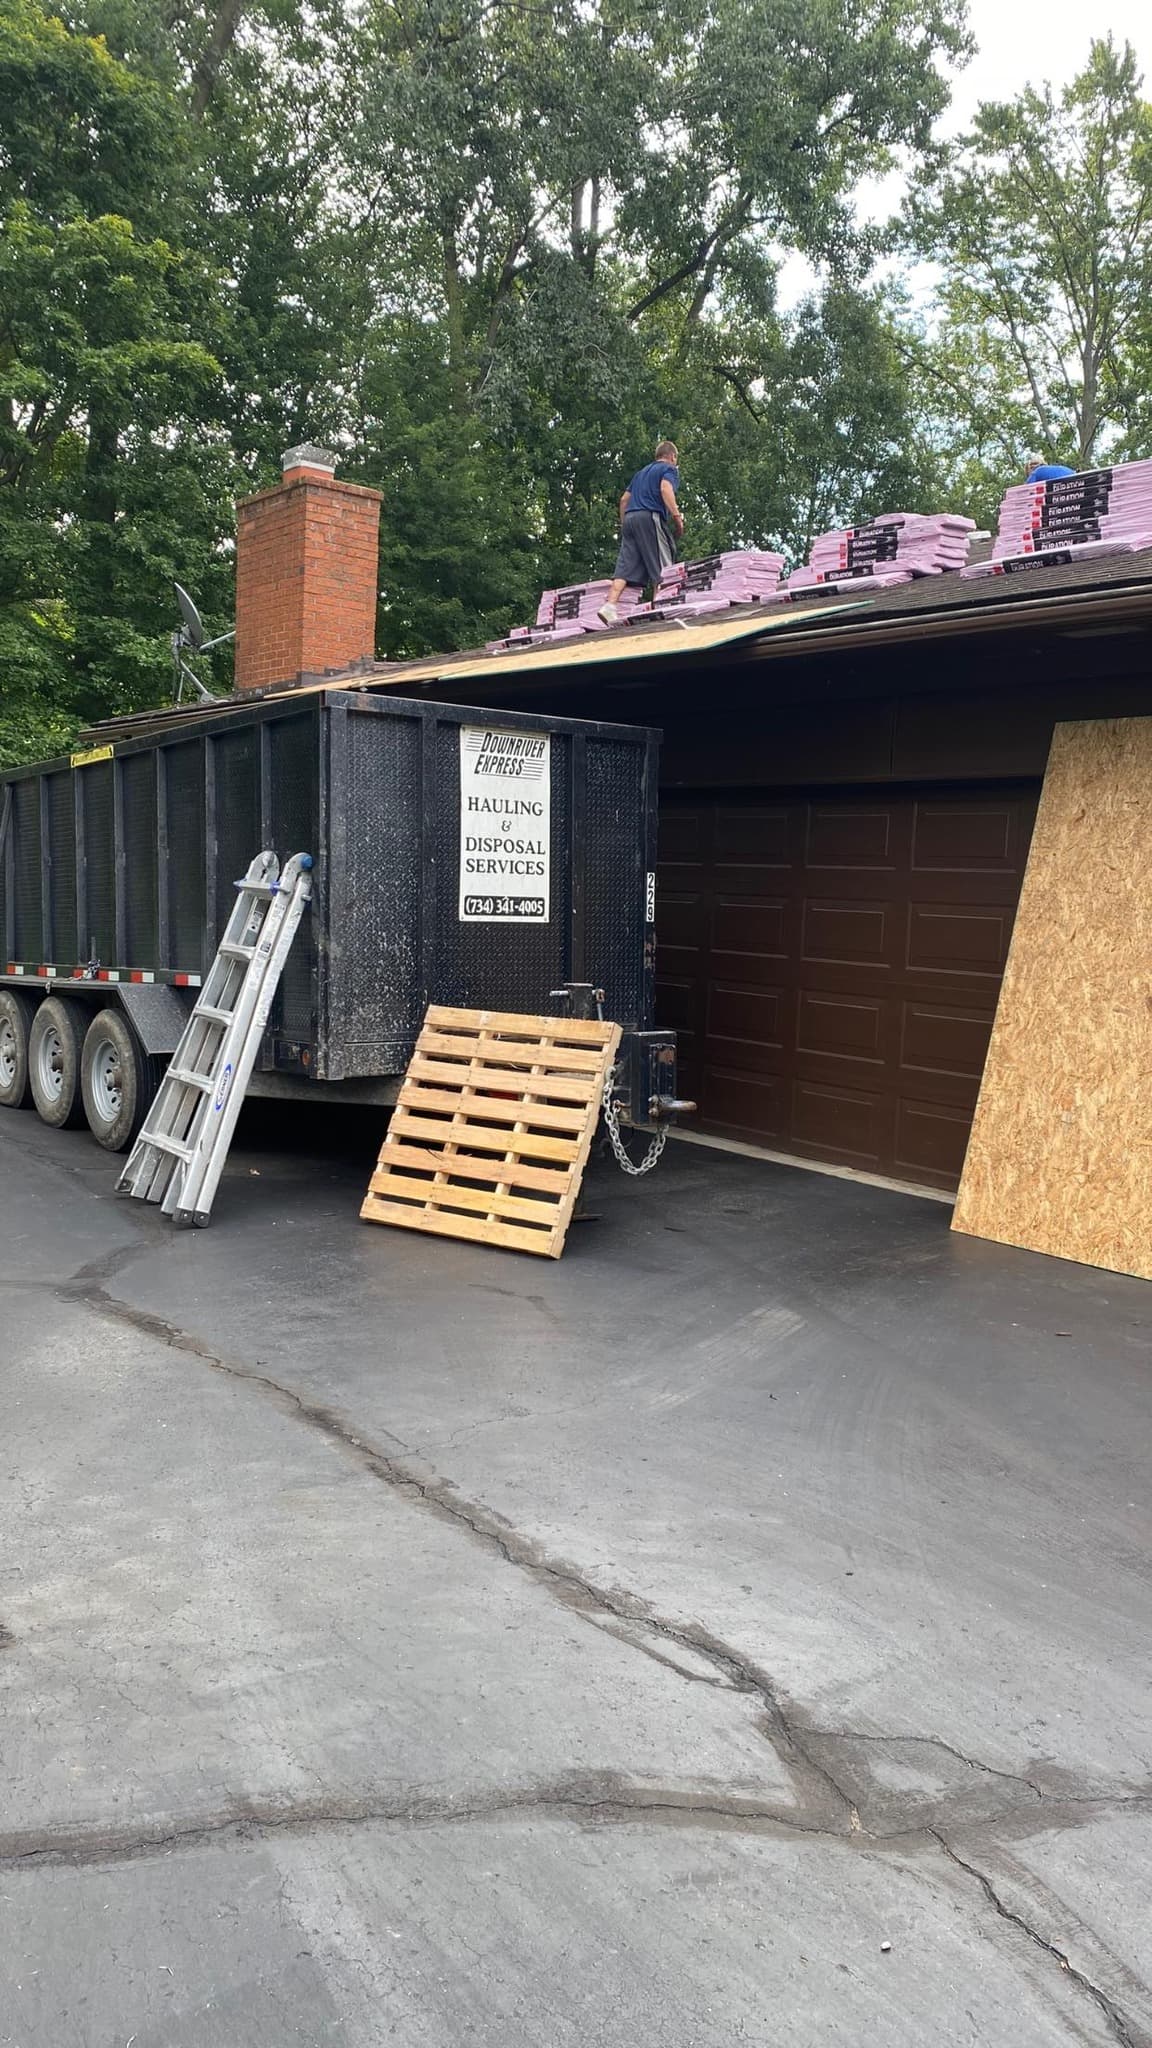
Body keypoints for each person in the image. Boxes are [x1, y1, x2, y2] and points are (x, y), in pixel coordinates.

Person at [597, 441, 684, 624]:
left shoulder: (640, 474)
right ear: (672, 457)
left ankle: (610, 605)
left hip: (629, 519)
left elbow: (623, 500)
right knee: (663, 567)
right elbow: (665, 489)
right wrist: (677, 517)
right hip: (649, 517)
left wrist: (625, 526)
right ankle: (662, 608)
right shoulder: (669, 469)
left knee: (625, 568)